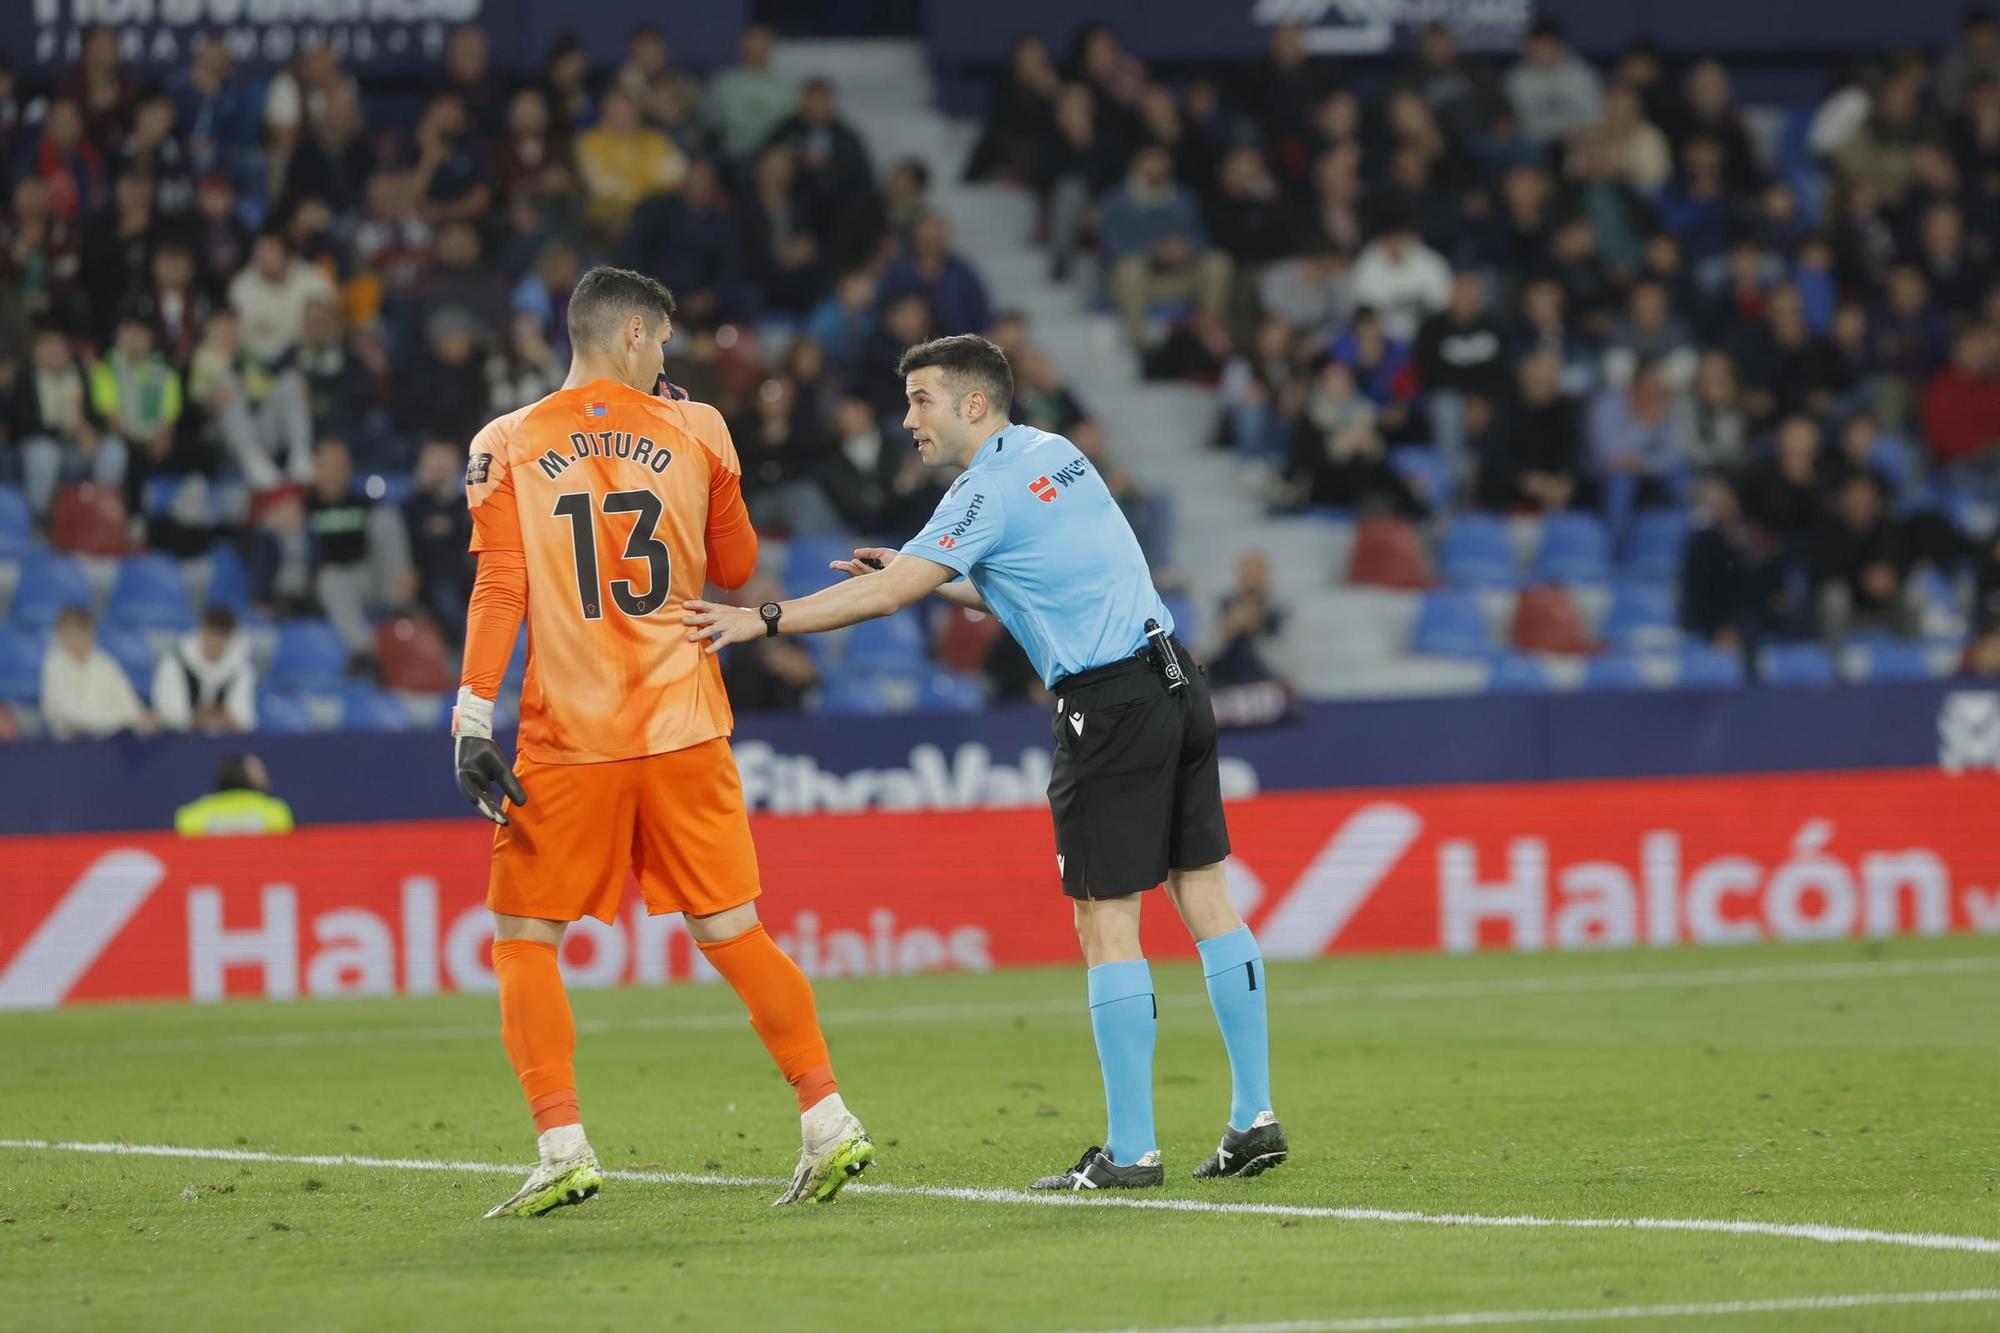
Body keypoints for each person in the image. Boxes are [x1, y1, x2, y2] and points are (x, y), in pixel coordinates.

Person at [684, 335, 1284, 1191]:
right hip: (1176, 678)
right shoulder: (1057, 452)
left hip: (1108, 704)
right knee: (1204, 892)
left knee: (1105, 920)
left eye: (921, 399)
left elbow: (889, 596)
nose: (908, 420)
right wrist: (931, 573)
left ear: (973, 403)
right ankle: (1253, 1118)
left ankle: (1132, 1150)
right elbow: (1034, 576)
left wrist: (763, 619)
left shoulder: (983, 489)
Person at [449, 266, 874, 1217]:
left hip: (571, 739)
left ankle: (562, 1142)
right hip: (687, 726)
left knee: (524, 939)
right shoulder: (702, 429)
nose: (669, 358)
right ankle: (828, 1118)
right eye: (667, 341)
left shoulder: (506, 440)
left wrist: (472, 718)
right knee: (732, 931)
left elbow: (500, 591)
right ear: (636, 335)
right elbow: (735, 569)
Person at [40, 606, 153, 741]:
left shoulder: (104, 662)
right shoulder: (53, 664)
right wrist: (125, 719)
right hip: (71, 746)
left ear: (91, 633)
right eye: (70, 633)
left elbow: (129, 703)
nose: (76, 639)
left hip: (111, 743)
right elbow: (71, 716)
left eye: (82, 632)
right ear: (60, 634)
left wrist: (137, 718)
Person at [152, 605, 256, 734]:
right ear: (202, 631)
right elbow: (170, 714)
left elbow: (244, 720)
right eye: (212, 634)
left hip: (223, 744)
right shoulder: (174, 660)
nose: (215, 642)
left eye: (222, 636)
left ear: (230, 638)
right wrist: (210, 717)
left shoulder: (242, 668)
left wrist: (204, 717)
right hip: (178, 742)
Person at [174, 754, 294, 836]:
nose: (266, 776)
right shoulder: (276, 811)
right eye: (260, 771)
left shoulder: (191, 814)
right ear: (239, 773)